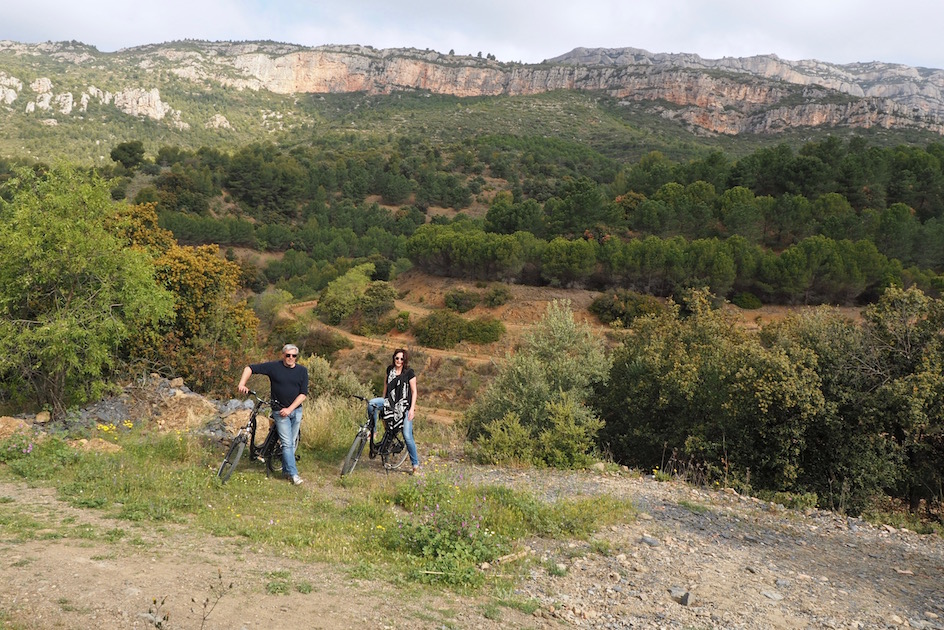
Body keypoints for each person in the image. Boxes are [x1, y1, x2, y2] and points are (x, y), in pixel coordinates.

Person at [237, 344, 308, 485]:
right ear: (283, 355)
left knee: (290, 444)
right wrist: (242, 383)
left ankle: (286, 471)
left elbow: (303, 394)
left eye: (294, 356)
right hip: (279, 411)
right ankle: (294, 475)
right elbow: (249, 368)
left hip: (296, 411)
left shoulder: (302, 371)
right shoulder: (274, 367)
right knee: (287, 444)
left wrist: (290, 409)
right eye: (288, 355)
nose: (291, 358)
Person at [368, 348, 420, 474]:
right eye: (397, 358)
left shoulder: (409, 373)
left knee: (407, 436)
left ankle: (415, 465)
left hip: (404, 406)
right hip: (389, 402)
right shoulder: (389, 370)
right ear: (394, 358)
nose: (399, 360)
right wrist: (383, 402)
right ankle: (373, 431)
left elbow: (414, 392)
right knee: (371, 404)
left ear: (405, 360)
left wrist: (412, 409)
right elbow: (386, 387)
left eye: (402, 359)